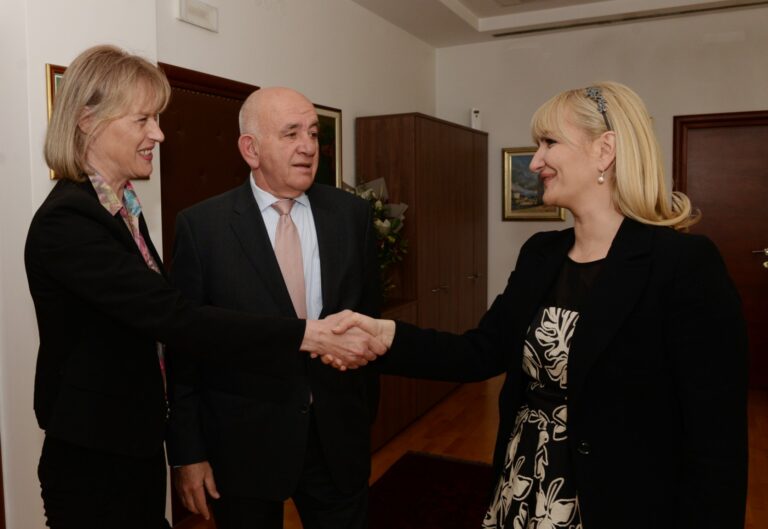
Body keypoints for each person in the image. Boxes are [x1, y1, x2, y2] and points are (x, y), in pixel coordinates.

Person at [334, 82, 748, 529]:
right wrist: (387, 336)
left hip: (622, 501)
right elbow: (482, 351)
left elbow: (716, 435)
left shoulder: (682, 264)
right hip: (525, 479)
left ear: (604, 150)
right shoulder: (541, 254)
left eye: (549, 142)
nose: (535, 162)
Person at [25, 45, 381, 529]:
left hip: (130, 447)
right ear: (88, 122)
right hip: (97, 457)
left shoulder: (121, 209)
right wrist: (307, 334)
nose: (158, 133)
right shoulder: (69, 221)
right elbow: (177, 319)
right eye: (143, 120)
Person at [166, 87, 381, 529]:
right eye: (291, 133)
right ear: (251, 149)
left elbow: (369, 321)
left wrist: (361, 421)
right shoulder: (203, 228)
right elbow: (185, 348)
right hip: (243, 447)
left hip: (336, 440)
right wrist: (189, 453)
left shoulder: (351, 216)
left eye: (313, 133)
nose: (308, 146)